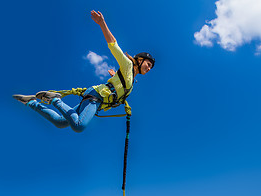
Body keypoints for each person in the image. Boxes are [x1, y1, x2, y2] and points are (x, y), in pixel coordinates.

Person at [13, 10, 155, 133]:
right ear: (139, 59)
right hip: (95, 98)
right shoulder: (128, 65)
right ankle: (54, 99)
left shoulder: (129, 77)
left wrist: (114, 78)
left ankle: (31, 103)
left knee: (61, 122)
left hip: (98, 101)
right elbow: (114, 46)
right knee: (79, 126)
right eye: (148, 64)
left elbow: (118, 87)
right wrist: (102, 24)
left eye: (150, 68)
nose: (148, 68)